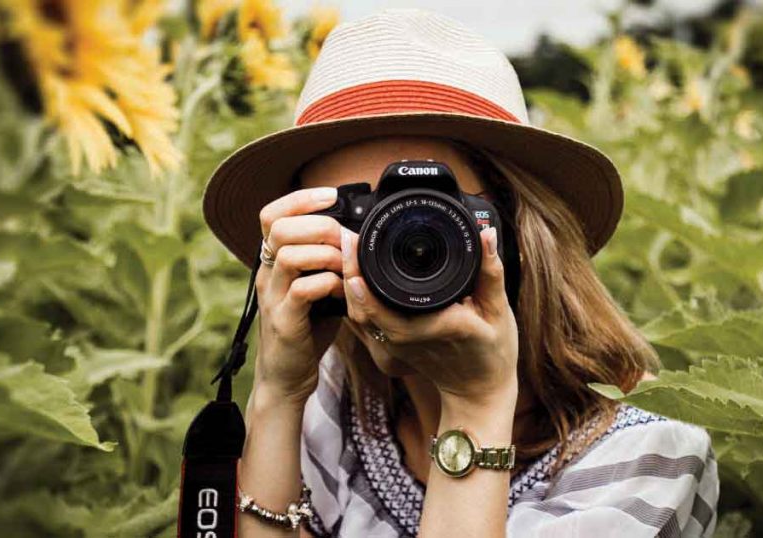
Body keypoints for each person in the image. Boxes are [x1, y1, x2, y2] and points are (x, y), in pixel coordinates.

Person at [201, 8, 718, 538]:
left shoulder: (650, 446)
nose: (387, 252)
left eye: (426, 212)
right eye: (354, 217)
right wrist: (275, 392)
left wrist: (475, 405)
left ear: (520, 231)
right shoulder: (334, 396)